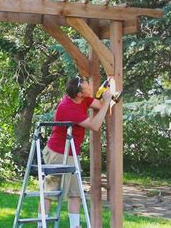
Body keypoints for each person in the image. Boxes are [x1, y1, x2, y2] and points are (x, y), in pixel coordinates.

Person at [38, 76, 112, 228]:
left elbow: (98, 104)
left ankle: (75, 226)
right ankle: (41, 225)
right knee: (50, 192)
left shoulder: (82, 99)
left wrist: (105, 96)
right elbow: (94, 125)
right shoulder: (68, 108)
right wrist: (106, 104)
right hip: (57, 152)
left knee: (75, 193)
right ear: (79, 93)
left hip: (70, 152)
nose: (90, 87)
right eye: (87, 87)